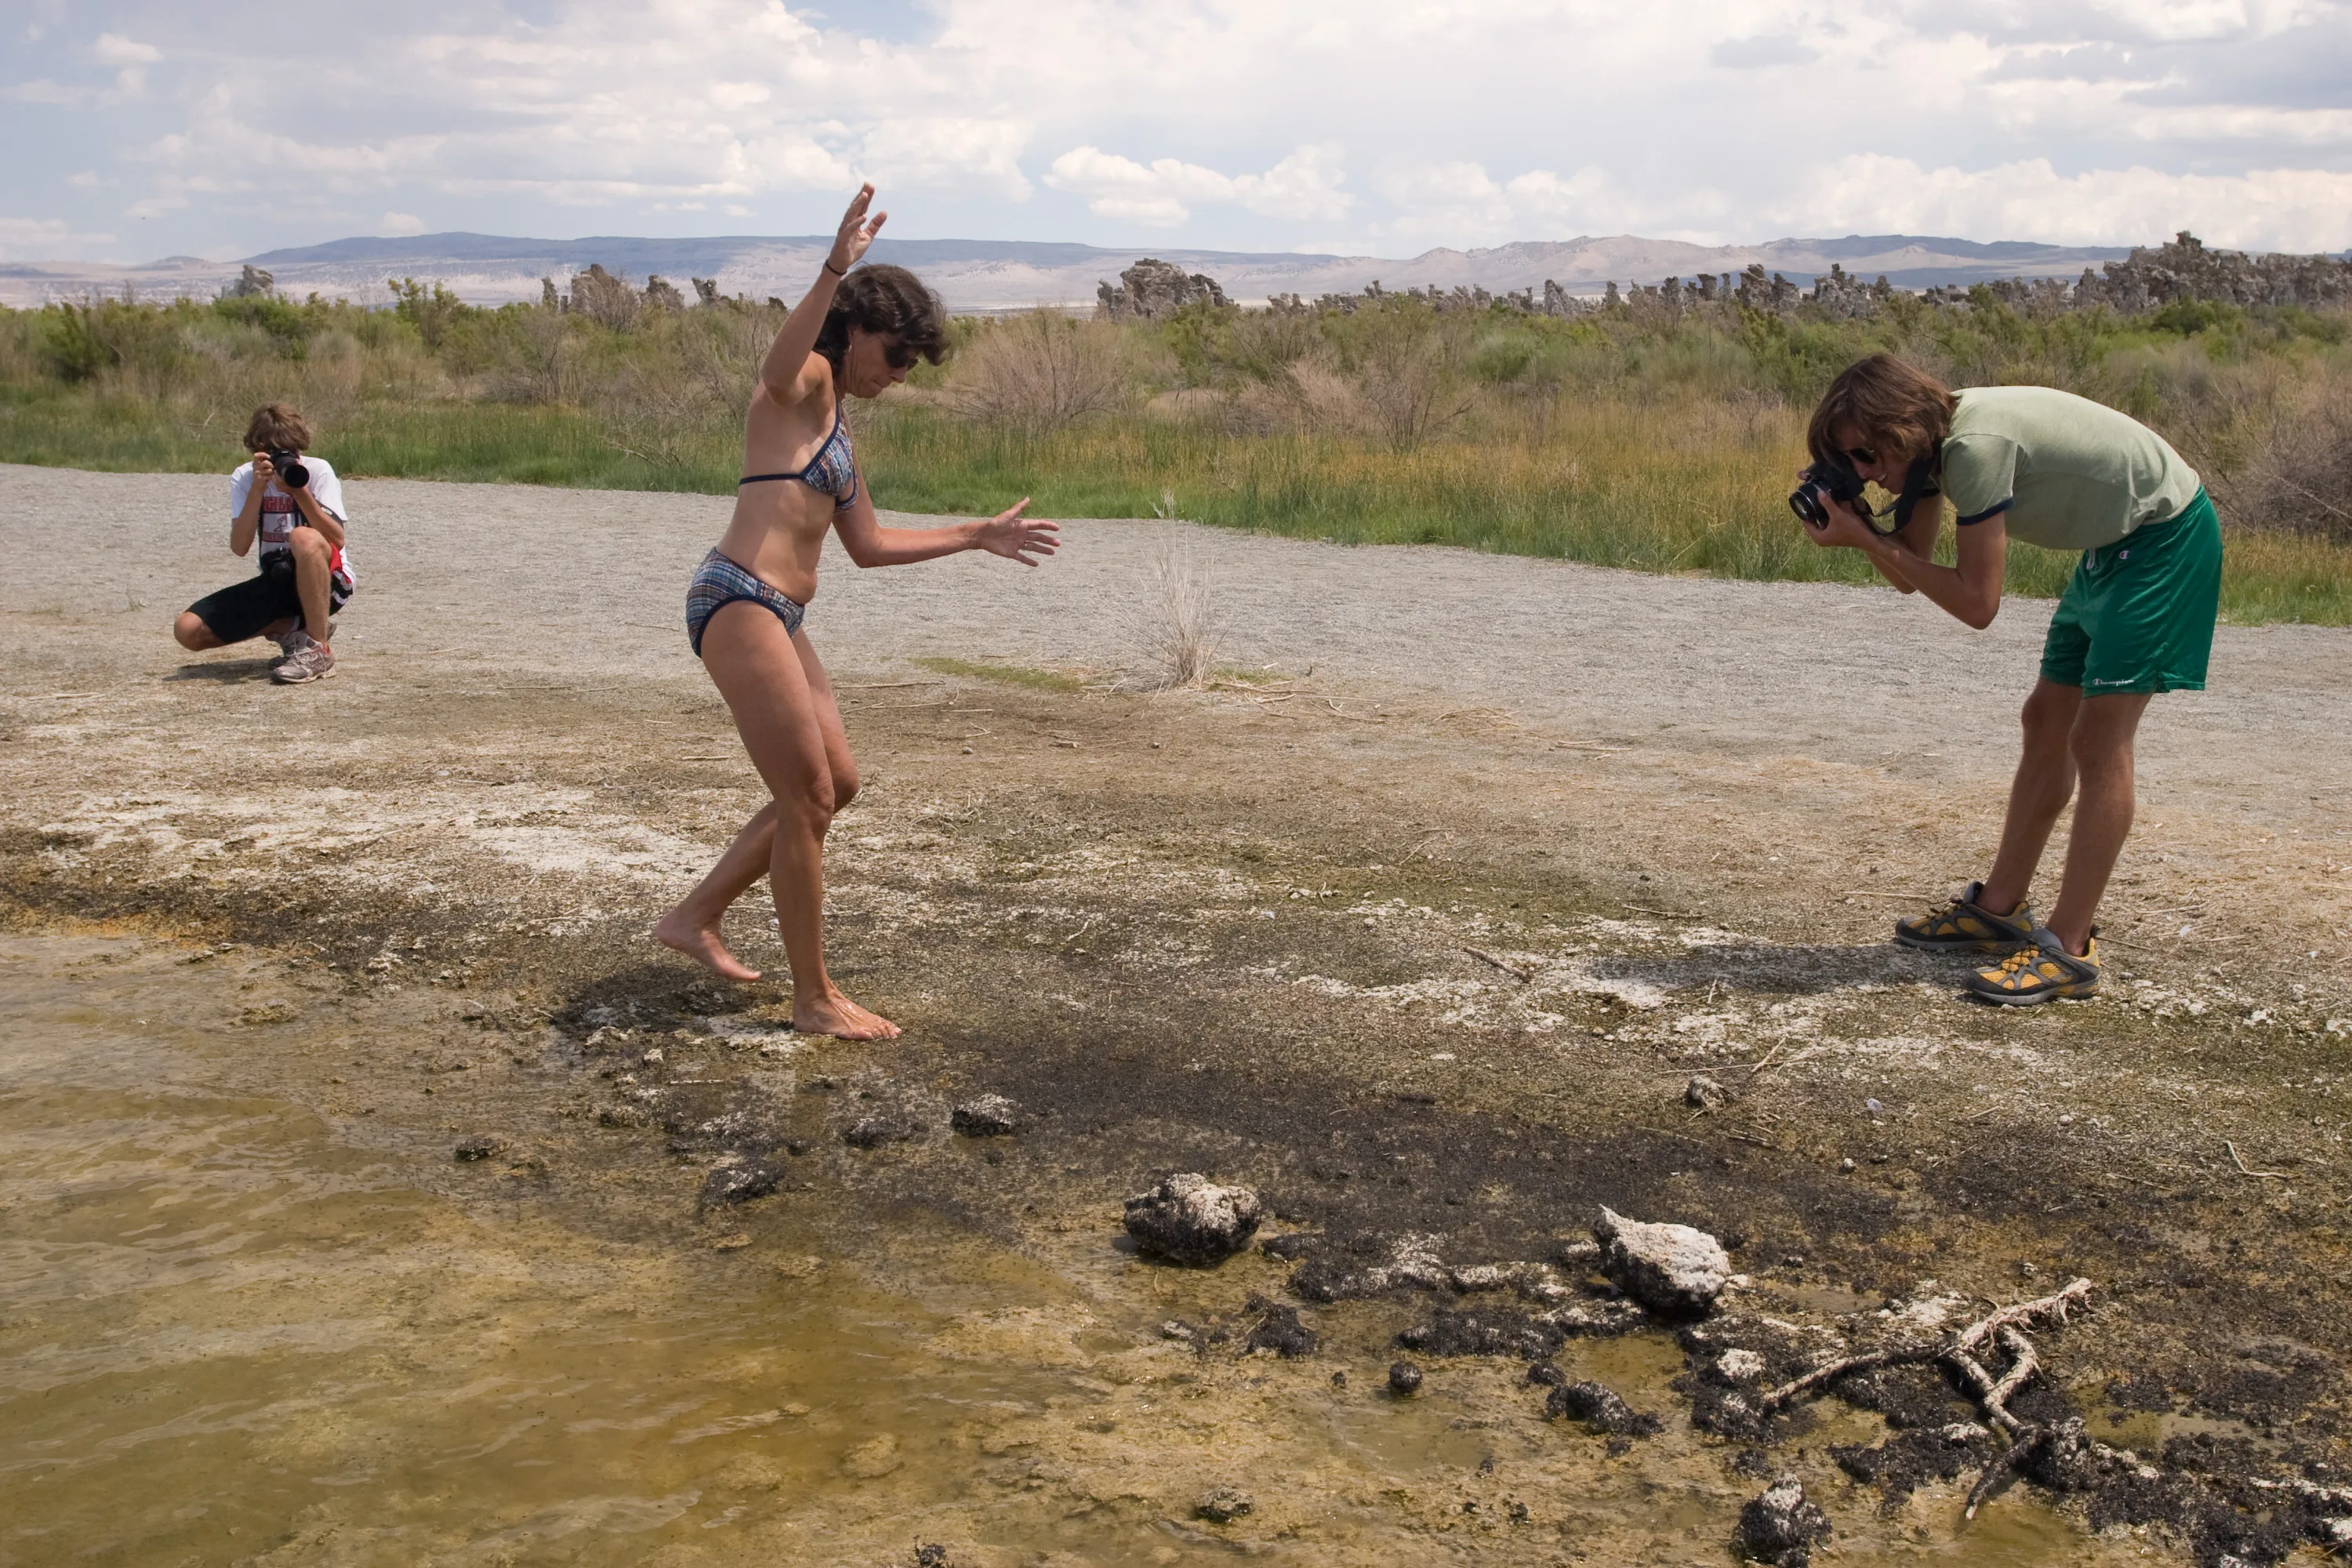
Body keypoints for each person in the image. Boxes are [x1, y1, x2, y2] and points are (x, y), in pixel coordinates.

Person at [652, 184, 1060, 1040]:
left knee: (836, 785)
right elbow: (773, 366)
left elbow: (867, 545)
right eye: (898, 356)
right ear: (858, 329)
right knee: (804, 797)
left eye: (913, 365)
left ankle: (695, 915)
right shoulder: (799, 389)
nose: (901, 376)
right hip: (736, 598)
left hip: (781, 614)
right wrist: (835, 266)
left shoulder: (837, 435)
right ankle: (814, 1000)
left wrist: (976, 534)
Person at [1796, 354, 2222, 1004]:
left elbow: (1977, 604)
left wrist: (1868, 541)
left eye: (1864, 454)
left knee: (2098, 740)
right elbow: (1912, 575)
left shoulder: (1973, 448)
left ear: (1899, 427)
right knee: (2045, 719)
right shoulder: (1932, 454)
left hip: (2165, 537)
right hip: (2115, 546)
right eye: (1847, 460)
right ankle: (1997, 910)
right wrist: (1860, 527)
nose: (1864, 472)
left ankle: (2069, 947)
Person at [172, 403, 353, 684]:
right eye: (277, 452)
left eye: (292, 451)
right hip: (277, 580)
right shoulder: (245, 477)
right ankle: (291, 628)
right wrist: (257, 490)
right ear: (259, 447)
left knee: (302, 537)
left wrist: (300, 493)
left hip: (330, 583)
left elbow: (337, 538)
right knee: (188, 629)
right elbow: (240, 546)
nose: (286, 459)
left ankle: (318, 650)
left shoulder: (317, 471)